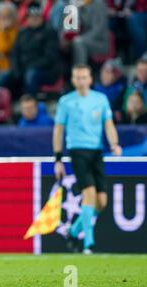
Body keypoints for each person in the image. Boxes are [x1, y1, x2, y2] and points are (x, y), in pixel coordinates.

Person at [53, 64, 122, 255]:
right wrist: (58, 158)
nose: (81, 81)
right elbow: (58, 131)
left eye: (84, 77)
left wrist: (114, 144)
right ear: (73, 80)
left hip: (96, 152)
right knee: (89, 194)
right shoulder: (66, 102)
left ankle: (74, 232)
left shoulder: (100, 100)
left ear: (90, 79)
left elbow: (108, 125)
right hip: (77, 151)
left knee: (101, 203)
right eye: (77, 77)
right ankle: (88, 245)